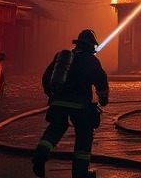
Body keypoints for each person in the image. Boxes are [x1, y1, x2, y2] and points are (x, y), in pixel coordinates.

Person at [32, 29, 109, 178]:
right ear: (91, 46)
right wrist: (103, 99)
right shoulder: (91, 61)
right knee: (84, 133)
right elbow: (101, 81)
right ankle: (80, 172)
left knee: (55, 128)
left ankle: (40, 155)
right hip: (80, 106)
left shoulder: (62, 57)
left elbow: (46, 78)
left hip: (58, 103)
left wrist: (52, 95)